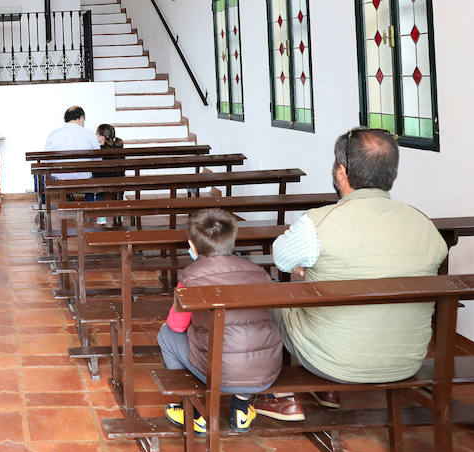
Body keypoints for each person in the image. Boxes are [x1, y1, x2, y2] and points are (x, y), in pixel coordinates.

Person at [253, 127, 448, 422]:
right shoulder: (423, 224)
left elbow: (280, 258)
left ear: (341, 173)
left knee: (264, 294)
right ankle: (326, 391)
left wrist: (309, 264)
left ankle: (275, 394)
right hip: (406, 361)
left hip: (332, 360)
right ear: (391, 173)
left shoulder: (319, 223)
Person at [158, 209, 283, 434]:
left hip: (219, 374)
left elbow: (177, 325)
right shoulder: (258, 272)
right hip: (265, 371)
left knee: (166, 335)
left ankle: (194, 410)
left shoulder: (191, 277)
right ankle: (242, 409)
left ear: (192, 246)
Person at [43, 105, 103, 219]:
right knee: (94, 175)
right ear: (81, 118)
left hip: (60, 179)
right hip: (85, 178)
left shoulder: (53, 135)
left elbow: (47, 160)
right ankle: (88, 212)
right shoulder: (90, 134)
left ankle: (53, 211)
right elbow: (97, 159)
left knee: (44, 176)